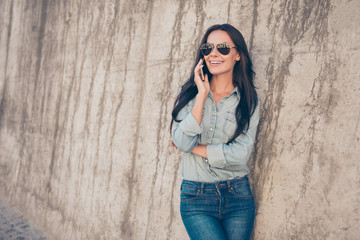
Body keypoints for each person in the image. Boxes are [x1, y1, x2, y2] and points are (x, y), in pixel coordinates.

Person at [170, 23, 260, 240]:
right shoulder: (189, 94)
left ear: (237, 54)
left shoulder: (248, 100)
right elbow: (181, 140)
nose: (214, 54)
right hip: (195, 198)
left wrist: (193, 147)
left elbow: (240, 155)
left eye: (223, 48)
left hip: (238, 196)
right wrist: (201, 96)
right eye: (207, 48)